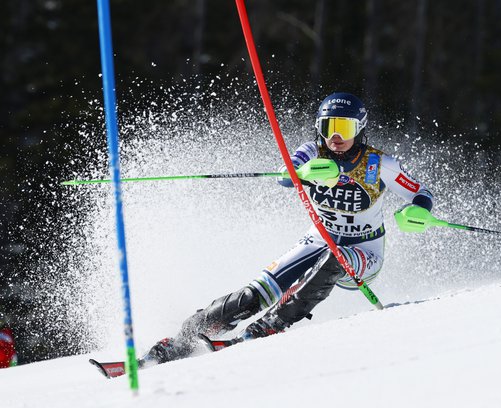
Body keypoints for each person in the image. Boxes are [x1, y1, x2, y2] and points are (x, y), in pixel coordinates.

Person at [141, 92, 434, 366]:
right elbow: (286, 173)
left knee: (337, 258)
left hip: (364, 248)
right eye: (329, 126)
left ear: (359, 129)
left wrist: (418, 211)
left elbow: (421, 193)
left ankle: (270, 325)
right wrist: (302, 174)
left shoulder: (379, 164)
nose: (335, 137)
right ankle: (183, 340)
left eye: (344, 128)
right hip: (319, 238)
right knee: (253, 295)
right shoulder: (312, 151)